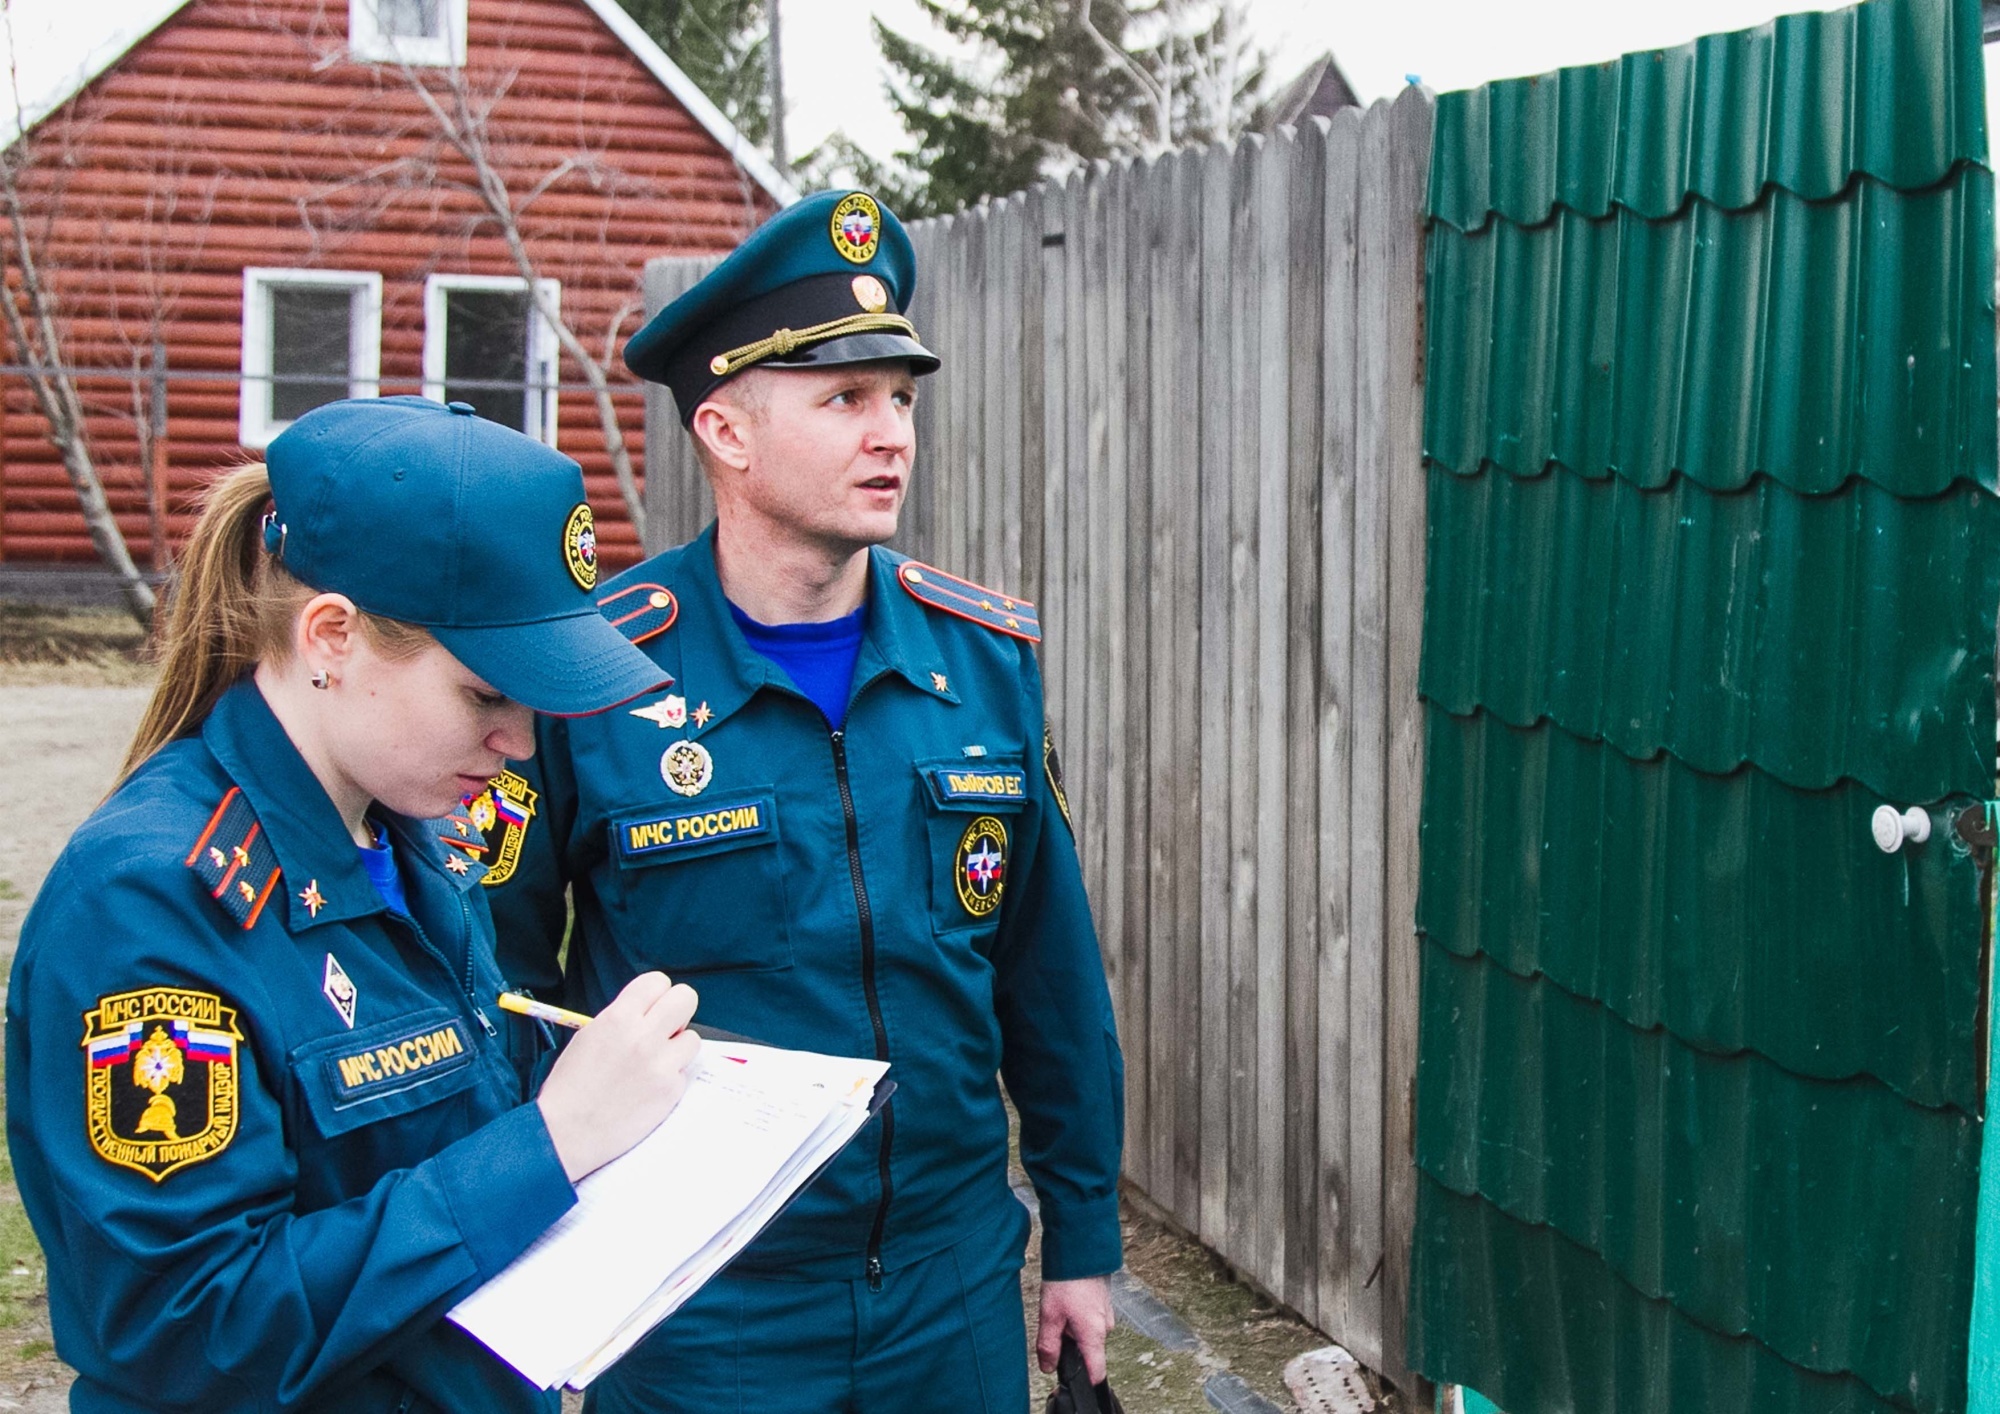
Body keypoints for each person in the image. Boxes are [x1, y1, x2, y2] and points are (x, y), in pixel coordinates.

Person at [485, 190, 1126, 1413]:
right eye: (844, 400)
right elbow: (504, 983)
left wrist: (1082, 1237)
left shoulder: (981, 656)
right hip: (703, 1298)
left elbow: (1049, 969)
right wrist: (544, 1238)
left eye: (901, 399)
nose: (891, 434)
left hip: (950, 1285)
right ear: (724, 431)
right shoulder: (595, 678)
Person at [7, 396, 707, 1414]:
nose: (520, 742)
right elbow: (185, 1322)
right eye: (485, 695)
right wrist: (549, 1144)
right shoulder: (152, 902)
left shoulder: (407, 836)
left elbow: (426, 1125)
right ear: (331, 635)